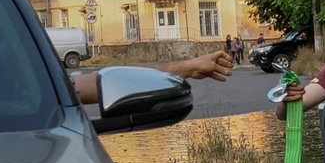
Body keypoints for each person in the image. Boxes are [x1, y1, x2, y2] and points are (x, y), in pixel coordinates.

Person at [72, 50, 233, 105]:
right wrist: (188, 67)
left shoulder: (50, 86)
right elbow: (105, 84)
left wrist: (189, 67)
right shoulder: (49, 89)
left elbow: (99, 83)